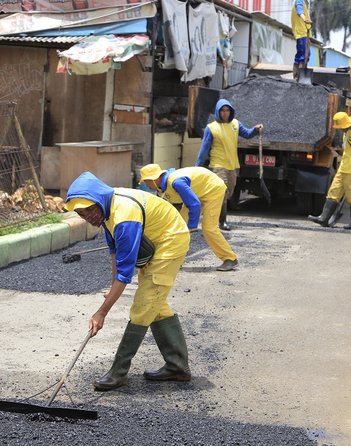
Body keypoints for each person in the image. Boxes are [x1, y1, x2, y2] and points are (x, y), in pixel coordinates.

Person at [64, 171, 192, 391]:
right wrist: (112, 285)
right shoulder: (107, 211)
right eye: (82, 214)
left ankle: (118, 372)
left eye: (90, 210)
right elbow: (115, 252)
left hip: (171, 240)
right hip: (157, 238)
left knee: (143, 306)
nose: (89, 217)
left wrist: (101, 312)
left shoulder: (124, 217)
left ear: (98, 200)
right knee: (155, 303)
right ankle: (177, 366)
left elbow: (125, 273)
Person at [139, 164, 238, 272]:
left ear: (153, 179)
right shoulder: (161, 187)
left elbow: (195, 204)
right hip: (196, 193)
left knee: (209, 228)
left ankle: (230, 258)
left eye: (146, 182)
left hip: (212, 190)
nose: (146, 185)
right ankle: (176, 261)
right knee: (180, 228)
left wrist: (192, 225)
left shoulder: (177, 182)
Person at [196, 99, 263, 232]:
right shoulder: (211, 128)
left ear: (230, 111)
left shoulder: (236, 124)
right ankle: (222, 221)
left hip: (232, 166)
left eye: (227, 110)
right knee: (222, 192)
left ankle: (213, 215)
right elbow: (204, 149)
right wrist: (197, 167)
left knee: (229, 193)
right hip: (218, 165)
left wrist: (255, 129)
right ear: (218, 111)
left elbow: (248, 134)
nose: (225, 113)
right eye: (222, 110)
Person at [309, 111, 351, 230]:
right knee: (333, 192)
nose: (341, 130)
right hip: (343, 168)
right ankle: (324, 218)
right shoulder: (347, 132)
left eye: (342, 127)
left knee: (350, 197)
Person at [290, 0, 312, 81]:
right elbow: (299, 10)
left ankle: (297, 76)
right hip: (301, 33)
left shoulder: (304, 2)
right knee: (304, 54)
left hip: (304, 33)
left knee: (302, 54)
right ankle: (299, 76)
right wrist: (305, 19)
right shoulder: (299, 1)